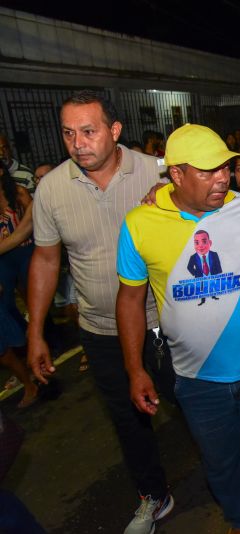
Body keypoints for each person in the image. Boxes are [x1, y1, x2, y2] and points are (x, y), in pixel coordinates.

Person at [117, 123, 240, 534]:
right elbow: (130, 300)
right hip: (195, 378)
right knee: (221, 462)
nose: (222, 177)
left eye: (224, 167)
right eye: (207, 171)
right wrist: (135, 370)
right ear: (176, 175)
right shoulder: (139, 224)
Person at [27, 90, 176, 534]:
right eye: (69, 133)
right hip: (100, 330)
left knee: (194, 406)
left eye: (89, 131)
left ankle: (232, 485)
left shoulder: (157, 171)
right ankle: (154, 496)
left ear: (114, 131)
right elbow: (47, 259)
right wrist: (37, 331)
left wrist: (174, 196)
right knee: (129, 420)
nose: (78, 143)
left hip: (167, 321)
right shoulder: (52, 188)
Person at [0, 161, 38, 407]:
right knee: (5, 304)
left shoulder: (18, 192)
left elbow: (34, 224)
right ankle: (21, 346)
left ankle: (37, 344)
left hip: (24, 253)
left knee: (31, 299)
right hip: (4, 259)